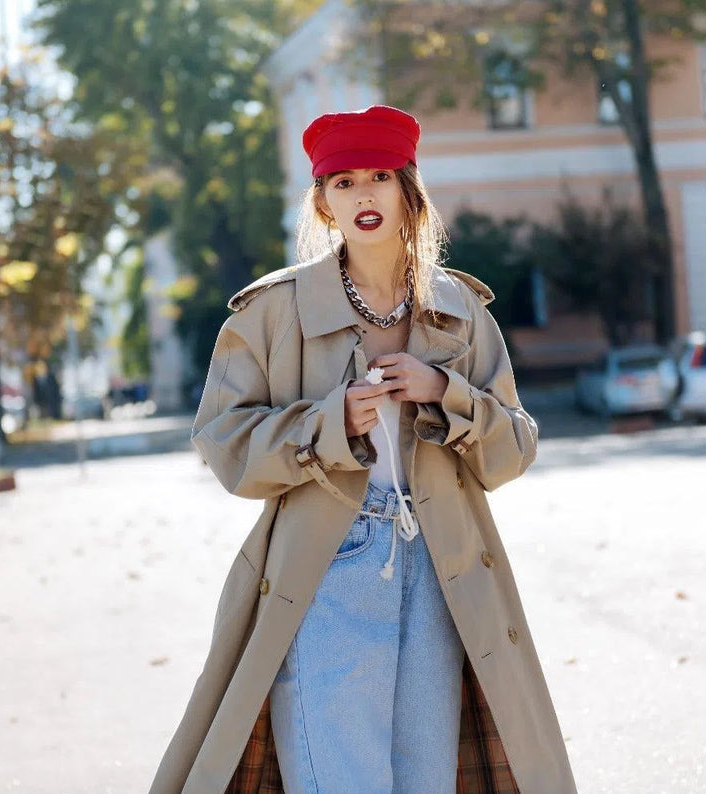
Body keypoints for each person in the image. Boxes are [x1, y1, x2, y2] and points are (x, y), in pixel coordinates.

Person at [150, 106, 576, 794]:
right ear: (323, 202)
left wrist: (446, 391)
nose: (363, 195)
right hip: (329, 562)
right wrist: (331, 422)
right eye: (343, 183)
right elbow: (223, 441)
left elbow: (513, 447)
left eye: (380, 177)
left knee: (427, 779)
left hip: (441, 566)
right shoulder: (274, 311)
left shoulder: (462, 309)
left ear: (409, 191)